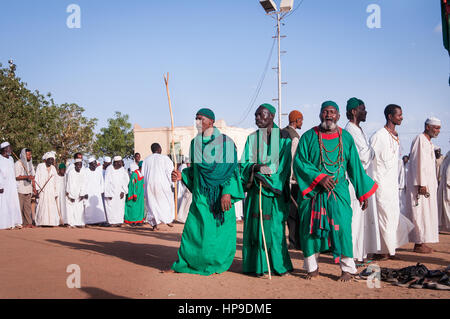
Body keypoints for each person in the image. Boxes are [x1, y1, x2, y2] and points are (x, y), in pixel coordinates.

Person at [293, 101, 377, 282]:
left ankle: (347, 269)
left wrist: (362, 193)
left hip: (339, 191)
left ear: (338, 116)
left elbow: (354, 166)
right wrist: (319, 178)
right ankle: (312, 268)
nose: (328, 115)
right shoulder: (308, 137)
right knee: (310, 230)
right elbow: (299, 163)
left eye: (332, 112)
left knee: (343, 229)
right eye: (325, 112)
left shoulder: (346, 138)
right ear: (320, 115)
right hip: (314, 192)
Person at [169, 108, 244, 275]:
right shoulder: (194, 143)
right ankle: (186, 263)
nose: (197, 122)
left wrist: (227, 192)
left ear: (211, 121)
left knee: (218, 234)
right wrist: (182, 175)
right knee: (193, 230)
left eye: (200, 119)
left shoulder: (226, 143)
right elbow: (196, 171)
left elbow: (231, 170)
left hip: (220, 197)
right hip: (201, 196)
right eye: (195, 119)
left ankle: (216, 264)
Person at [240, 103, 293, 277]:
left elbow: (283, 167)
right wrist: (255, 167)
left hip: (275, 193)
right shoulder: (252, 138)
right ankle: (257, 266)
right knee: (256, 228)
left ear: (271, 116)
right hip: (256, 192)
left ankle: (278, 265)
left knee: (275, 230)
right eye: (255, 115)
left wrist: (266, 175)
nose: (257, 118)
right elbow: (245, 163)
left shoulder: (284, 138)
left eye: (260, 115)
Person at [370, 104, 413, 260]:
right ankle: (382, 251)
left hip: (392, 185)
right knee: (383, 217)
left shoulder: (394, 136)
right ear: (390, 116)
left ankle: (390, 249)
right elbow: (370, 162)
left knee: (393, 217)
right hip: (380, 185)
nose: (401, 117)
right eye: (399, 115)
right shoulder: (378, 136)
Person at [344, 98, 381, 264]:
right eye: (362, 109)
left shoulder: (358, 129)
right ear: (353, 111)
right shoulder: (350, 130)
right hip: (351, 181)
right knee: (353, 220)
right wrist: (373, 149)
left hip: (359, 179)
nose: (365, 112)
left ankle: (359, 255)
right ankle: (351, 256)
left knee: (360, 220)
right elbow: (363, 156)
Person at [405, 117, 441, 253]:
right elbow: (417, 162)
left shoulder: (429, 143)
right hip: (421, 186)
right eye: (435, 128)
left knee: (426, 214)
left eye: (439, 128)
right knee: (419, 213)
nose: (438, 131)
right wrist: (421, 183)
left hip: (428, 184)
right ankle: (418, 243)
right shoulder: (420, 139)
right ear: (427, 127)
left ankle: (423, 242)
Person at [281, 110, 303, 250]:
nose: (302, 123)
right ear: (296, 120)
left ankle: (294, 241)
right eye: (301, 120)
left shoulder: (282, 132)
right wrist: (292, 179)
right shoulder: (294, 137)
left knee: (289, 212)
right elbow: (292, 160)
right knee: (293, 213)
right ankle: (294, 243)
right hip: (291, 180)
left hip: (283, 178)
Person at [142, 143, 175, 230]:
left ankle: (154, 224)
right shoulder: (165, 158)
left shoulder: (146, 160)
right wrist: (172, 183)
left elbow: (143, 174)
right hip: (162, 184)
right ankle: (167, 219)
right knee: (166, 201)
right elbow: (169, 172)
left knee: (152, 204)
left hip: (149, 185)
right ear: (159, 149)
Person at [0, 142, 23, 230]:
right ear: (5, 149)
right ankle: (5, 223)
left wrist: (15, 184)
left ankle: (15, 222)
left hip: (12, 185)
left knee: (13, 203)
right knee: (4, 204)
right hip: (3, 185)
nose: (11, 149)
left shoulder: (11, 159)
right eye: (9, 148)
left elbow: (12, 173)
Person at [35, 152, 59, 227]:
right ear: (46, 160)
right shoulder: (40, 166)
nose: (51, 161)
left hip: (51, 191)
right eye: (49, 159)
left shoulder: (54, 168)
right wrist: (37, 189)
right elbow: (37, 178)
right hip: (42, 190)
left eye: (52, 160)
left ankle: (51, 222)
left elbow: (56, 181)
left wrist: (56, 192)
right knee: (42, 206)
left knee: (51, 206)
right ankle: (41, 222)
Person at [104, 156, 129, 227]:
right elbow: (107, 182)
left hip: (120, 192)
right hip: (111, 193)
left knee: (120, 207)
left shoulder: (122, 169)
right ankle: (111, 222)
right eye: (120, 162)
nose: (121, 163)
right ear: (116, 163)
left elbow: (126, 180)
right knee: (111, 207)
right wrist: (108, 194)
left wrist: (123, 191)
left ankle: (119, 221)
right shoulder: (109, 169)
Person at [15, 148, 37, 228]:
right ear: (24, 155)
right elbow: (17, 177)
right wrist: (27, 176)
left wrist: (34, 188)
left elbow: (33, 177)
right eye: (28, 155)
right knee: (20, 207)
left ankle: (28, 222)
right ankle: (18, 223)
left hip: (28, 188)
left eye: (30, 155)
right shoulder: (18, 163)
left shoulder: (30, 164)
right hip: (20, 188)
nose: (30, 156)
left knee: (27, 208)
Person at [84, 157, 107, 226]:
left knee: (98, 206)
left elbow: (101, 181)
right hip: (88, 192)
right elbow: (84, 182)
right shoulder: (86, 171)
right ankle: (89, 222)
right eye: (93, 163)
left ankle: (99, 221)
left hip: (97, 192)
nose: (95, 165)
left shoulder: (98, 171)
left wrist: (101, 190)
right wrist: (84, 192)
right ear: (90, 164)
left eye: (95, 163)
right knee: (89, 207)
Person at [66, 158, 88, 228]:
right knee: (71, 209)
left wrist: (82, 194)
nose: (79, 166)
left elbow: (84, 184)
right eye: (78, 164)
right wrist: (70, 196)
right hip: (72, 194)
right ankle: (71, 223)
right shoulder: (71, 172)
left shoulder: (83, 172)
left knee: (79, 209)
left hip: (80, 194)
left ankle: (79, 223)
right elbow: (69, 184)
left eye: (80, 164)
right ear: (75, 164)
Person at [124, 161, 146, 226]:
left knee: (140, 208)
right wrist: (134, 194)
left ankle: (138, 221)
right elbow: (132, 185)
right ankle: (132, 221)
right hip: (135, 193)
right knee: (133, 207)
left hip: (141, 194)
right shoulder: (135, 174)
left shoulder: (143, 174)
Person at [437, 150, 450, 232]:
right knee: (443, 205)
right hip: (444, 183)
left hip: (447, 184)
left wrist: (448, 182)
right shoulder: (448, 153)